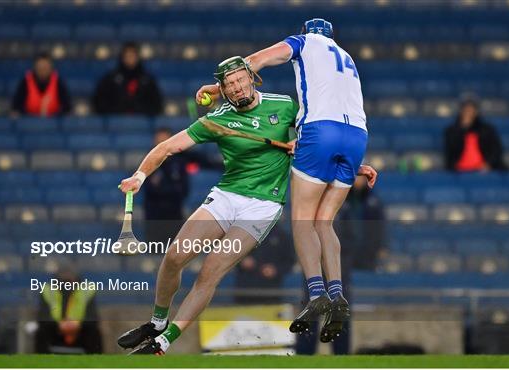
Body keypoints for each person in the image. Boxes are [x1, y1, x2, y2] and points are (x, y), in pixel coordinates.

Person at [196, 18, 376, 342]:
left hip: (320, 131)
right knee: (325, 223)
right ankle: (338, 296)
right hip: (356, 137)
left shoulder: (304, 42)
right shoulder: (347, 57)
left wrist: (218, 87)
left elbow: (253, 62)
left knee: (302, 221)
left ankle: (316, 293)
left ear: (308, 33)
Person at [116, 56, 299, 355]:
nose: (238, 88)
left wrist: (303, 145)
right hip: (227, 195)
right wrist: (140, 175)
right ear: (223, 90)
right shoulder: (216, 120)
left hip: (263, 205)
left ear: (252, 79)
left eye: (241, 80)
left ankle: (164, 341)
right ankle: (157, 323)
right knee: (174, 256)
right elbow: (167, 147)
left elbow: (318, 135)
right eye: (230, 85)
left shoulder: (285, 105)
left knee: (210, 271)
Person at [296, 174, 385, 355]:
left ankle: (340, 353)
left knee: (338, 310)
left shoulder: (346, 203)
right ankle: (304, 353)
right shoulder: (328, 201)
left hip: (338, 265)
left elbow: (352, 237)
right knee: (312, 308)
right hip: (318, 265)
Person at [35, 268, 102, 354]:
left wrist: (77, 324)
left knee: (93, 332)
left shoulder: (87, 290)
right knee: (42, 332)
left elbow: (93, 317)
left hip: (80, 332)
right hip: (55, 331)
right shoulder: (48, 290)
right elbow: (42, 316)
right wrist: (60, 325)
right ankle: (41, 362)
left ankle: (95, 362)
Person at [144, 128, 190, 245]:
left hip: (174, 212)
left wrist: (164, 189)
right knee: (155, 248)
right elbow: (149, 189)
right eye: (159, 142)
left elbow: (184, 189)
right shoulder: (148, 163)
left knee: (175, 248)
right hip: (154, 214)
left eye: (165, 141)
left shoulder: (179, 162)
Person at [92, 42, 163, 115]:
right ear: (122, 57)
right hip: (116, 121)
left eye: (133, 56)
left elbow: (156, 105)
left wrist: (139, 108)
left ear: (138, 57)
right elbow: (99, 102)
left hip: (141, 121)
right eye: (127, 56)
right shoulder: (110, 79)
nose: (130, 59)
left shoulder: (148, 80)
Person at [234, 223, 295, 305]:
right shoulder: (244, 233)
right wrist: (241, 260)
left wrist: (275, 270)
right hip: (245, 290)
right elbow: (231, 254)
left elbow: (289, 262)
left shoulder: (282, 235)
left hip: (271, 291)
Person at [444, 98, 508, 172]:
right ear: (461, 112)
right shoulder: (452, 131)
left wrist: (488, 164)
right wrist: (462, 129)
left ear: (476, 112)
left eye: (471, 110)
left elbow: (496, 150)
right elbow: (451, 151)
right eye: (466, 111)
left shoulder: (487, 130)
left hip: (484, 169)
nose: (468, 113)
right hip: (459, 171)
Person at [11, 52, 71, 117]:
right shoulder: (25, 81)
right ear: (35, 67)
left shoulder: (58, 82)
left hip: (53, 122)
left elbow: (67, 107)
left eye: (45, 67)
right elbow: (16, 107)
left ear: (51, 68)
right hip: (29, 122)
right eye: (40, 68)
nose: (42, 71)